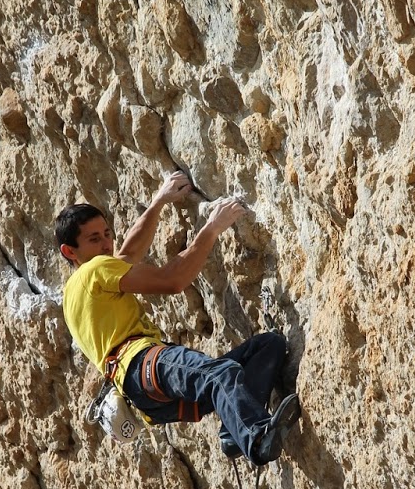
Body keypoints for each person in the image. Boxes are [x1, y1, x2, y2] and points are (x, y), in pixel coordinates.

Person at [55, 172, 299, 466]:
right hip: (142, 364)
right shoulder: (95, 271)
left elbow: (128, 253)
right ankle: (256, 438)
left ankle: (234, 434)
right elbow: (173, 281)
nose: (107, 244)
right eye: (94, 239)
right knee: (218, 374)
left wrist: (159, 202)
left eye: (107, 234)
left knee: (267, 347)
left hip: (144, 395)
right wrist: (212, 228)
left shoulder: (73, 294)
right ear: (70, 251)